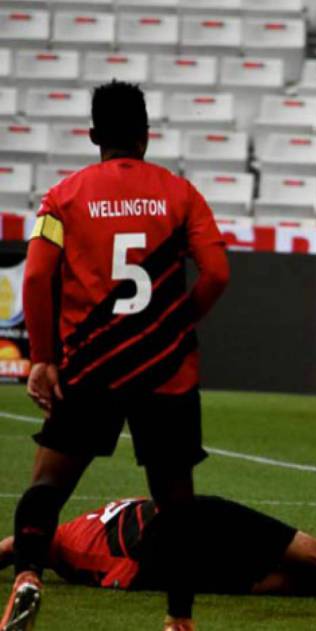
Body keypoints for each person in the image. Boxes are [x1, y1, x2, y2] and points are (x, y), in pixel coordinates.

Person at [2, 81, 230, 631]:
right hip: (167, 369)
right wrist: (175, 324)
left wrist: (43, 358)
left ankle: (28, 575)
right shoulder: (181, 194)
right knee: (176, 503)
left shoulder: (64, 196)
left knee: (47, 486)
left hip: (91, 365)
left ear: (94, 135)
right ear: (147, 136)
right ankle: (179, 620)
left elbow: (35, 276)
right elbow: (218, 273)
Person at [0, 496, 316, 606]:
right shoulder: (75, 526)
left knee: (303, 578)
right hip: (180, 522)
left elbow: (16, 546)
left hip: (162, 549)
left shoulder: (60, 541)